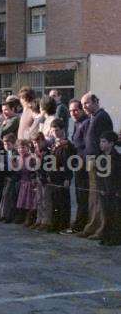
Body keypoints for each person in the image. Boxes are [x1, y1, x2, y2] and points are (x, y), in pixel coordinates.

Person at [78, 93, 113, 240]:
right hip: (91, 162)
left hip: (99, 162)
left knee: (100, 197)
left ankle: (101, 229)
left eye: (86, 103)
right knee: (93, 197)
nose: (84, 107)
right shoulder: (92, 117)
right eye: (83, 104)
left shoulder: (102, 117)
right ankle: (92, 226)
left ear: (95, 102)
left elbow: (106, 142)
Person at [69, 99, 89, 232]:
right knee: (79, 195)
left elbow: (86, 145)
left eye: (76, 110)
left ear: (82, 109)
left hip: (84, 164)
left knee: (83, 196)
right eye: (71, 110)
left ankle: (81, 224)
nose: (73, 113)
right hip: (78, 163)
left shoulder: (86, 122)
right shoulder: (77, 123)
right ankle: (79, 222)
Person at [98, 131, 121, 246]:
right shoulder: (102, 157)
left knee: (115, 214)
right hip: (104, 191)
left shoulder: (116, 158)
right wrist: (101, 187)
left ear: (111, 143)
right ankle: (106, 236)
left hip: (114, 191)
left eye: (104, 142)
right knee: (106, 214)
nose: (101, 144)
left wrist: (118, 190)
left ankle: (115, 238)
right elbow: (100, 175)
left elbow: (118, 176)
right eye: (101, 142)